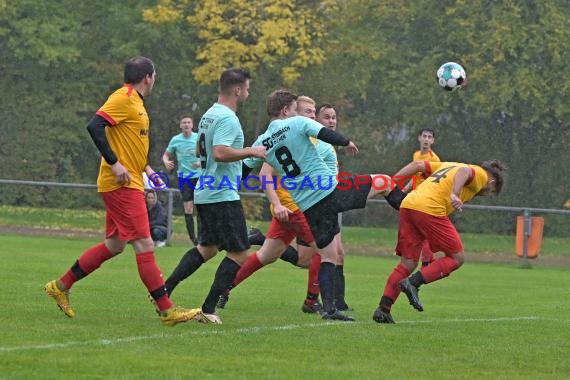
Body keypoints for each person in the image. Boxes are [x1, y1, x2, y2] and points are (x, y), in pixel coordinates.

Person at [44, 56, 201, 326]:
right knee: (145, 243)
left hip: (132, 180)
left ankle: (60, 286)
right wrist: (115, 164)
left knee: (114, 245)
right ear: (147, 77)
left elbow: (130, 144)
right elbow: (94, 125)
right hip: (121, 184)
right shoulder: (124, 97)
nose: (155, 80)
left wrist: (147, 169)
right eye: (155, 76)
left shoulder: (137, 104)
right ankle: (166, 310)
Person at [245, 89, 406, 321]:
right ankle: (413, 213)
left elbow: (245, 165)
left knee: (328, 255)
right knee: (385, 182)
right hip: (329, 191)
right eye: (293, 108)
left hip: (309, 206)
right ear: (285, 110)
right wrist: (346, 141)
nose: (297, 112)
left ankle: (330, 309)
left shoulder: (261, 141)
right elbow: (324, 134)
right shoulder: (297, 123)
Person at [162, 68, 266, 324]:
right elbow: (219, 152)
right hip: (221, 193)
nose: (249, 93)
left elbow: (206, 152)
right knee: (240, 252)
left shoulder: (209, 115)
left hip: (206, 191)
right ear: (238, 89)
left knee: (206, 249)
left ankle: (163, 292)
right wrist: (251, 150)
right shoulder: (228, 118)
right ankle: (208, 309)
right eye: (248, 88)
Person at [216, 94, 325, 315]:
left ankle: (223, 288)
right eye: (307, 112)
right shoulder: (287, 134)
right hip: (293, 207)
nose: (312, 116)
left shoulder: (311, 139)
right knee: (326, 252)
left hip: (294, 207)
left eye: (315, 112)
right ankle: (314, 302)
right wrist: (277, 203)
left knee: (267, 256)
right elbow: (266, 173)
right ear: (290, 112)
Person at [373, 159, 506, 324]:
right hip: (430, 208)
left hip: (409, 204)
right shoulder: (481, 175)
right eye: (491, 191)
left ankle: (383, 309)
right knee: (457, 258)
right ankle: (413, 283)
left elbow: (417, 165)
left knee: (407, 263)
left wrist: (391, 182)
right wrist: (454, 194)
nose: (487, 193)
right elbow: (464, 172)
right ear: (492, 182)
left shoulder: (449, 165)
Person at [405, 128, 441, 267]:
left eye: (429, 137)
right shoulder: (416, 155)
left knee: (424, 231)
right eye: (424, 136)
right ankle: (422, 259)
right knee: (417, 231)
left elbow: (436, 181)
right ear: (419, 138)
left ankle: (426, 261)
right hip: (415, 198)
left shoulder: (434, 159)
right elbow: (415, 177)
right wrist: (404, 190)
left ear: (432, 141)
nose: (426, 139)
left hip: (426, 199)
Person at [163, 115, 201, 245]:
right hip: (184, 178)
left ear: (192, 125)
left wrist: (201, 163)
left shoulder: (198, 137)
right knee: (188, 208)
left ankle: (201, 238)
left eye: (188, 122)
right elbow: (166, 155)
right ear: (180, 126)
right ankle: (193, 239)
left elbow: (209, 155)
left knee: (201, 207)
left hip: (200, 176)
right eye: (184, 122)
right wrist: (166, 162)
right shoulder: (176, 140)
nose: (186, 124)